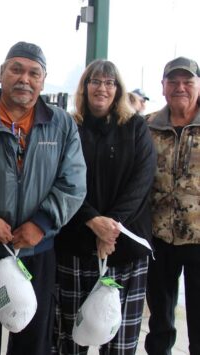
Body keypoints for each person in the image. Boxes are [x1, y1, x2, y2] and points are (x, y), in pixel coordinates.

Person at [0, 41, 87, 355]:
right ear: (1, 74)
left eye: (34, 73)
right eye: (17, 69)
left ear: (42, 80)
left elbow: (74, 183)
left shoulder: (61, 124)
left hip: (36, 253)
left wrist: (42, 223)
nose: (24, 78)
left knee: (32, 343)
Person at [53, 60, 157, 354]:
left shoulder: (135, 127)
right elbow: (60, 180)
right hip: (75, 246)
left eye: (109, 83)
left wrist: (110, 227)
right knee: (69, 338)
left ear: (118, 90)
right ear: (84, 88)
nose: (102, 88)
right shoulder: (68, 127)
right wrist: (92, 221)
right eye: (95, 81)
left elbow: (142, 181)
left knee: (120, 342)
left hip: (125, 250)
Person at [145, 56, 200, 355]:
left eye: (187, 81)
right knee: (160, 322)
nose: (180, 87)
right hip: (158, 237)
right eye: (173, 81)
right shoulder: (146, 126)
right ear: (163, 87)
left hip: (199, 239)